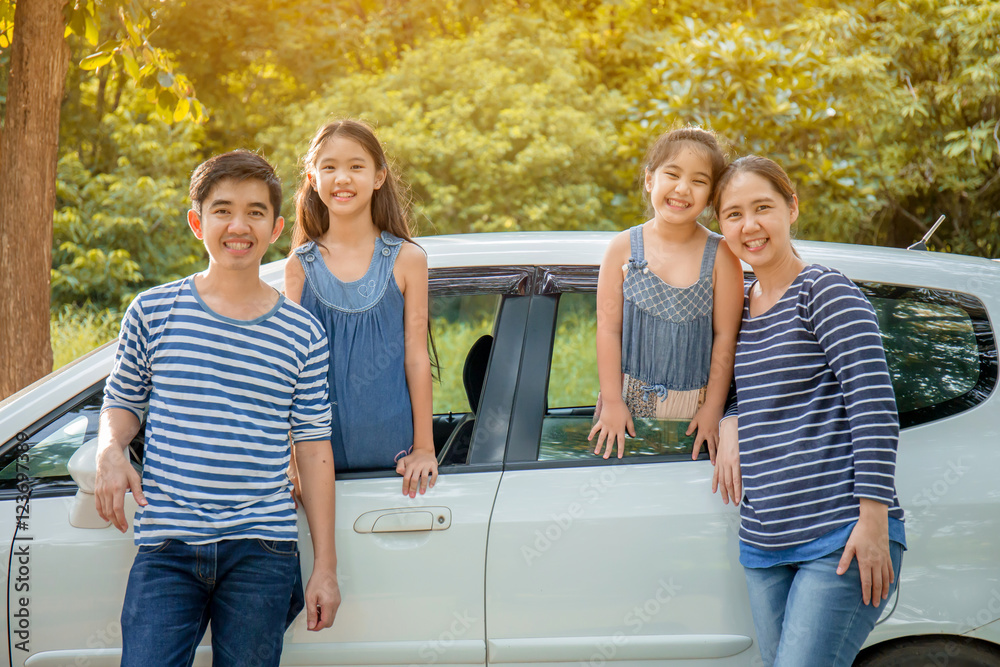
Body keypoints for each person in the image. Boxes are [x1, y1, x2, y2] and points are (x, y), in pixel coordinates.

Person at [95, 150, 340, 666]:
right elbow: (122, 401)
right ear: (196, 221)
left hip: (263, 548)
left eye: (254, 212)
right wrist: (110, 449)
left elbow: (315, 447)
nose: (238, 225)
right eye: (222, 209)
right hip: (168, 545)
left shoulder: (302, 333)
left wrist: (324, 567)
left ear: (275, 228)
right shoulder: (153, 310)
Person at [711, 155, 906, 667]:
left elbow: (874, 406)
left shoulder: (824, 292)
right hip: (763, 542)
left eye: (762, 207)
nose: (749, 226)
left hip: (837, 536)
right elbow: (728, 385)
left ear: (791, 208)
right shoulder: (741, 306)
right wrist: (730, 419)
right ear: (720, 226)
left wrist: (873, 520)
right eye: (733, 214)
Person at [284, 119, 437, 498]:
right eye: (330, 167)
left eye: (356, 166)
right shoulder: (299, 266)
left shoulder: (407, 259)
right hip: (316, 461)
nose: (343, 178)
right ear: (312, 177)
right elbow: (290, 370)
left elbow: (416, 358)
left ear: (379, 176)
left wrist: (424, 449)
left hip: (394, 461)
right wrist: (290, 460)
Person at [589, 127, 744, 460]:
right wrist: (613, 403)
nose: (682, 189)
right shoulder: (621, 249)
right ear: (649, 180)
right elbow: (608, 330)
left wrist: (714, 407)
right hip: (624, 415)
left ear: (711, 195)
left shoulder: (722, 256)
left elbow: (725, 337)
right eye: (672, 174)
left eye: (699, 181)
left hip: (696, 418)